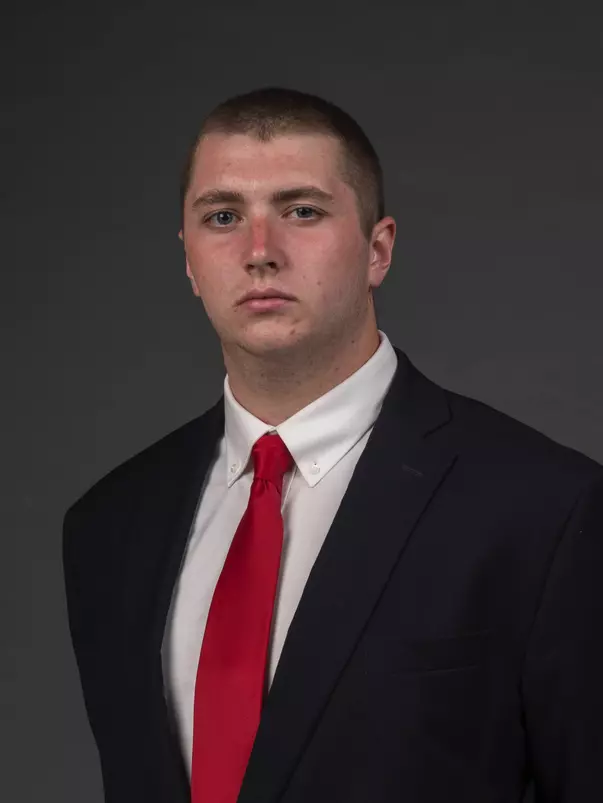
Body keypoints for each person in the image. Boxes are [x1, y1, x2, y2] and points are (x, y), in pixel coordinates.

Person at [62, 86, 603, 803]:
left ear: (377, 249)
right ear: (190, 261)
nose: (260, 252)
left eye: (301, 211)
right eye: (222, 217)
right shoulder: (108, 526)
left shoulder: (546, 509)